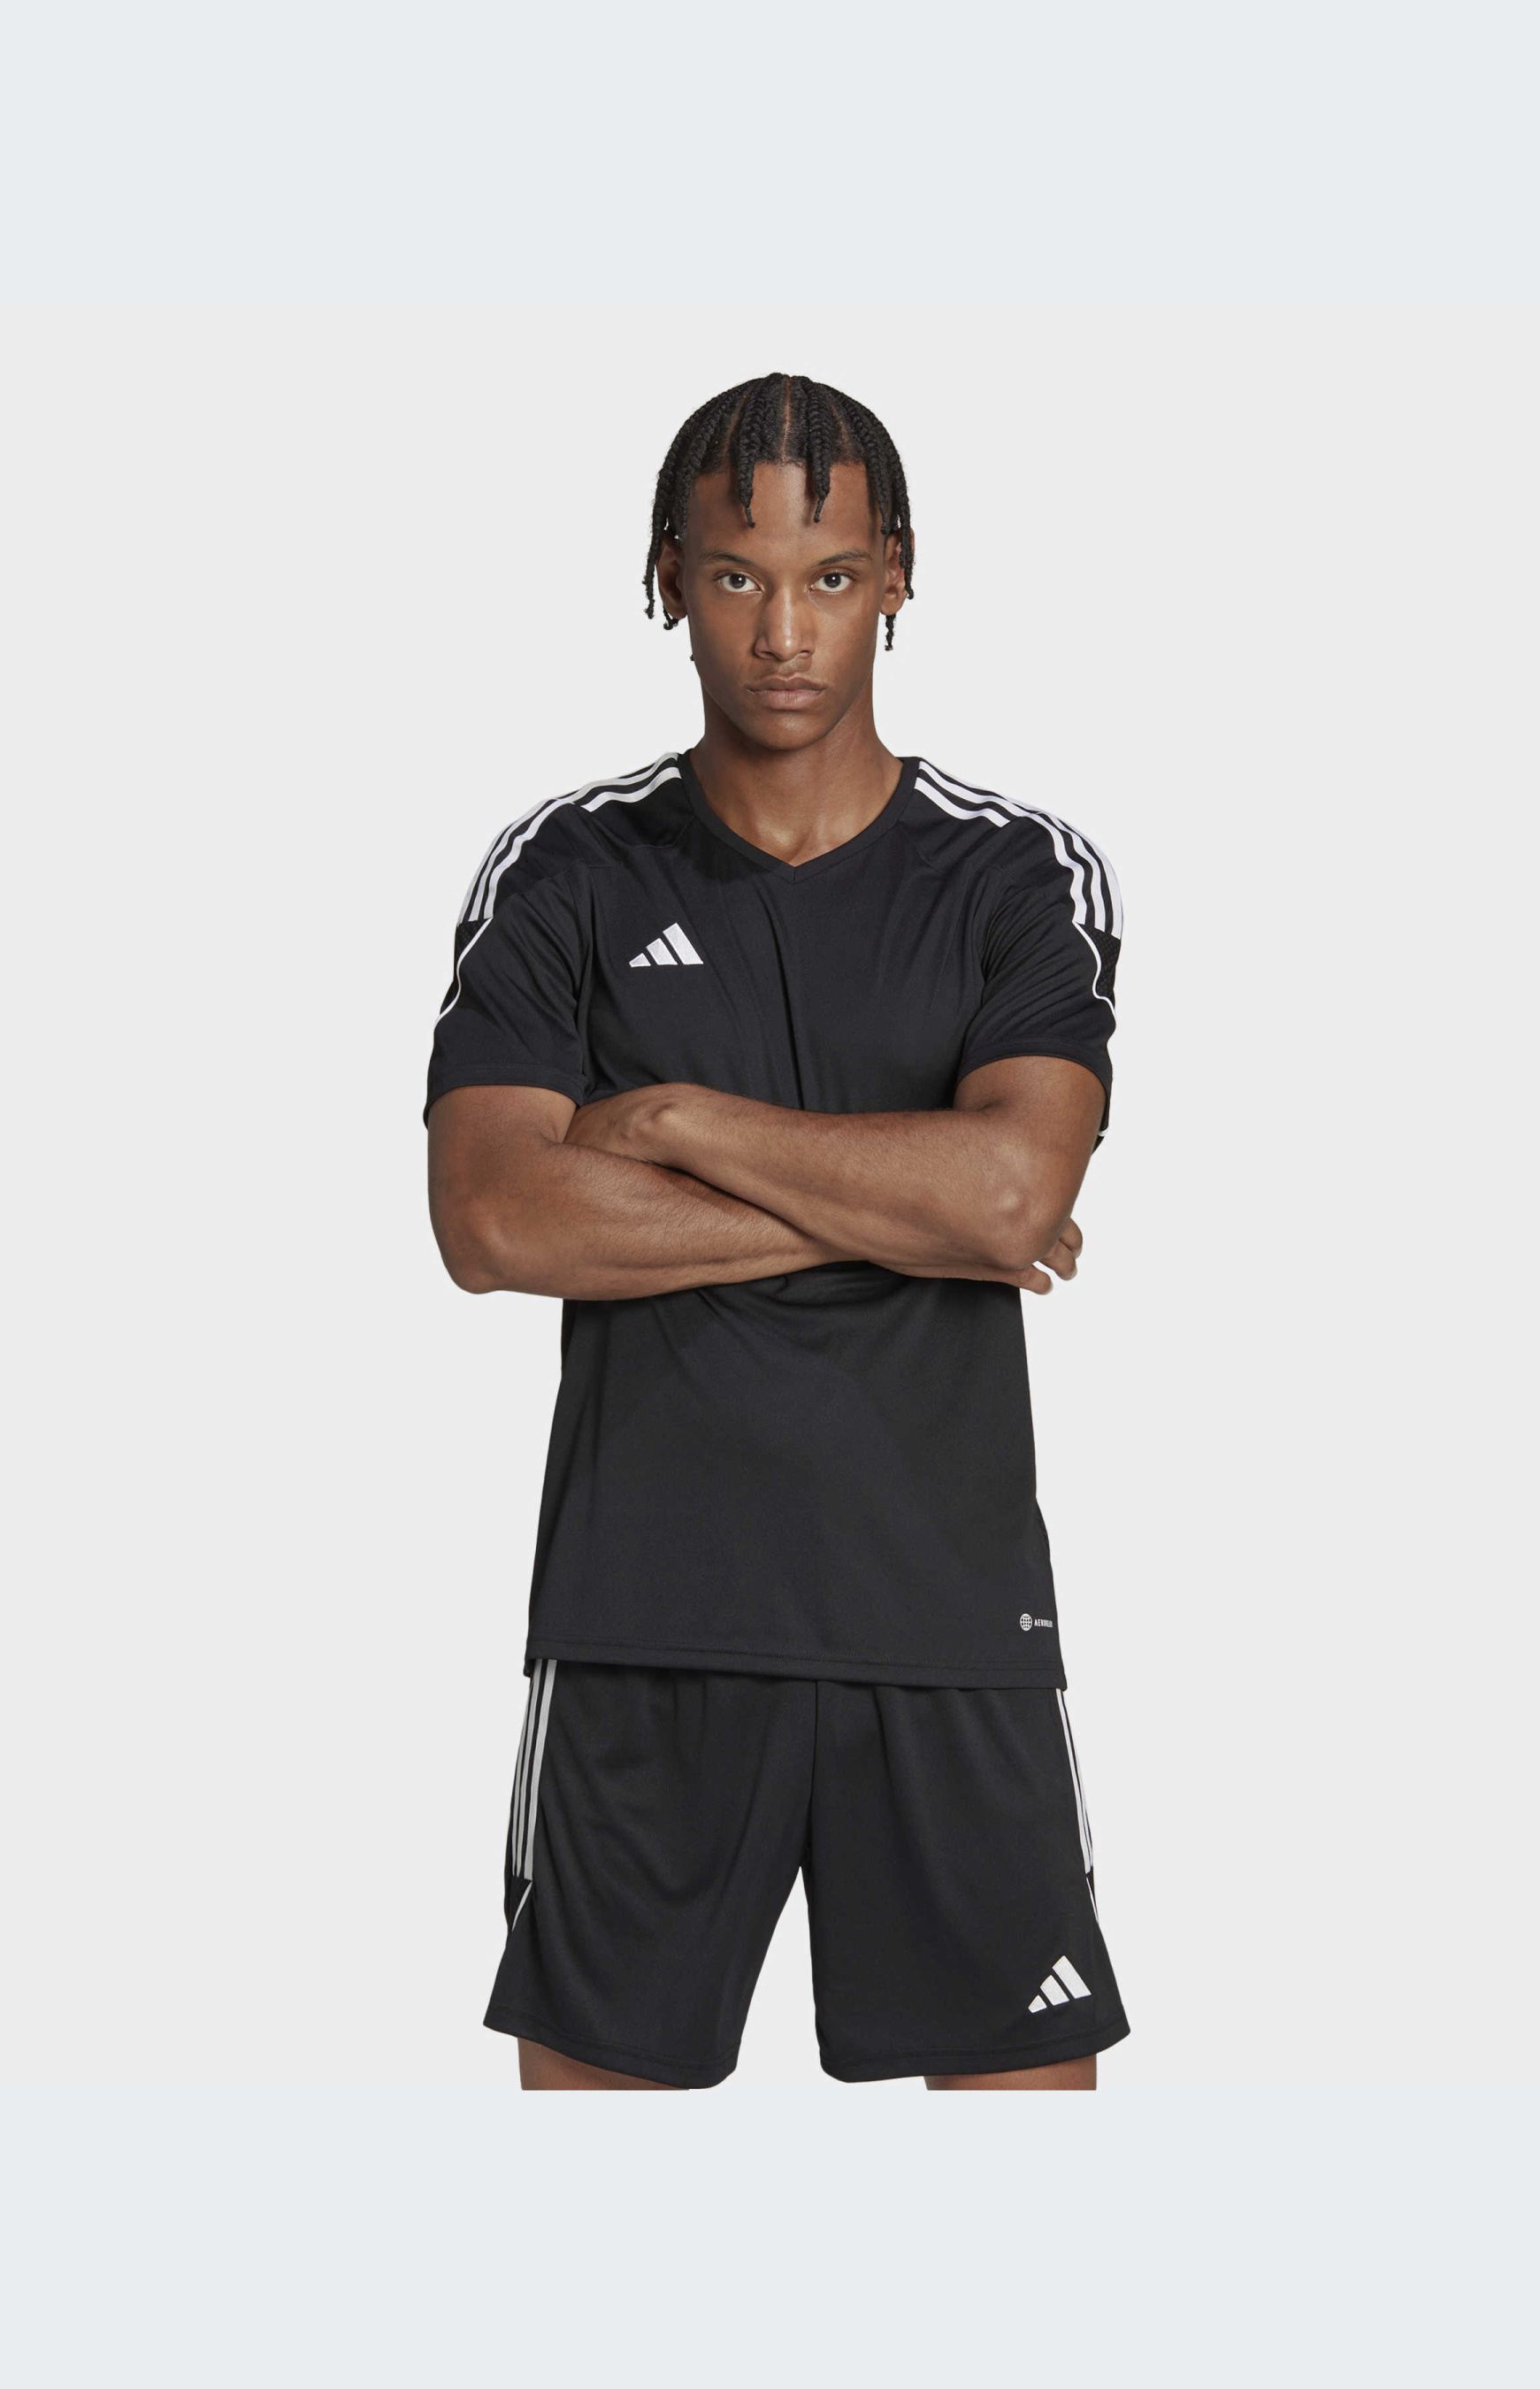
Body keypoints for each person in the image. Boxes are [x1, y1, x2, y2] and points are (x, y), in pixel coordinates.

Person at [425, 373, 1129, 2088]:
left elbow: (1012, 1194)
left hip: (944, 1624)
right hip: (642, 1626)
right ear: (667, 578)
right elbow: (494, 1216)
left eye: (828, 577)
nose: (783, 632)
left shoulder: (1016, 874)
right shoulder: (564, 870)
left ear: (896, 576)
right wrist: (912, 1211)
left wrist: (672, 1120)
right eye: (737, 576)